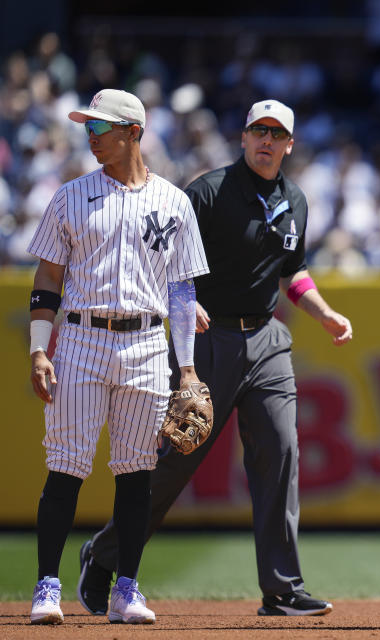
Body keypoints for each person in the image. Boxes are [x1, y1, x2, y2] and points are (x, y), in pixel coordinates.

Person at [77, 99, 354, 617]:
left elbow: (292, 273)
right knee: (175, 461)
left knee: (281, 452)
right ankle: (104, 554)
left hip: (267, 340)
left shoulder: (295, 199)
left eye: (277, 133)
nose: (267, 140)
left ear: (290, 144)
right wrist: (185, 302)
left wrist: (325, 313)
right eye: (258, 131)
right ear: (244, 138)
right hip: (205, 341)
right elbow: (156, 256)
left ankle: (281, 588)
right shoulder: (206, 192)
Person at [27, 88, 209, 625]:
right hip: (81, 338)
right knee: (65, 468)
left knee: (137, 473)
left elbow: (181, 292)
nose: (91, 135)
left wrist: (190, 369)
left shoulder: (175, 202)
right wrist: (40, 350)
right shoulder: (70, 196)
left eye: (101, 127)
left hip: (148, 344)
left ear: (133, 131)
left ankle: (126, 589)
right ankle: (46, 587)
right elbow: (47, 279)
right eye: (88, 126)